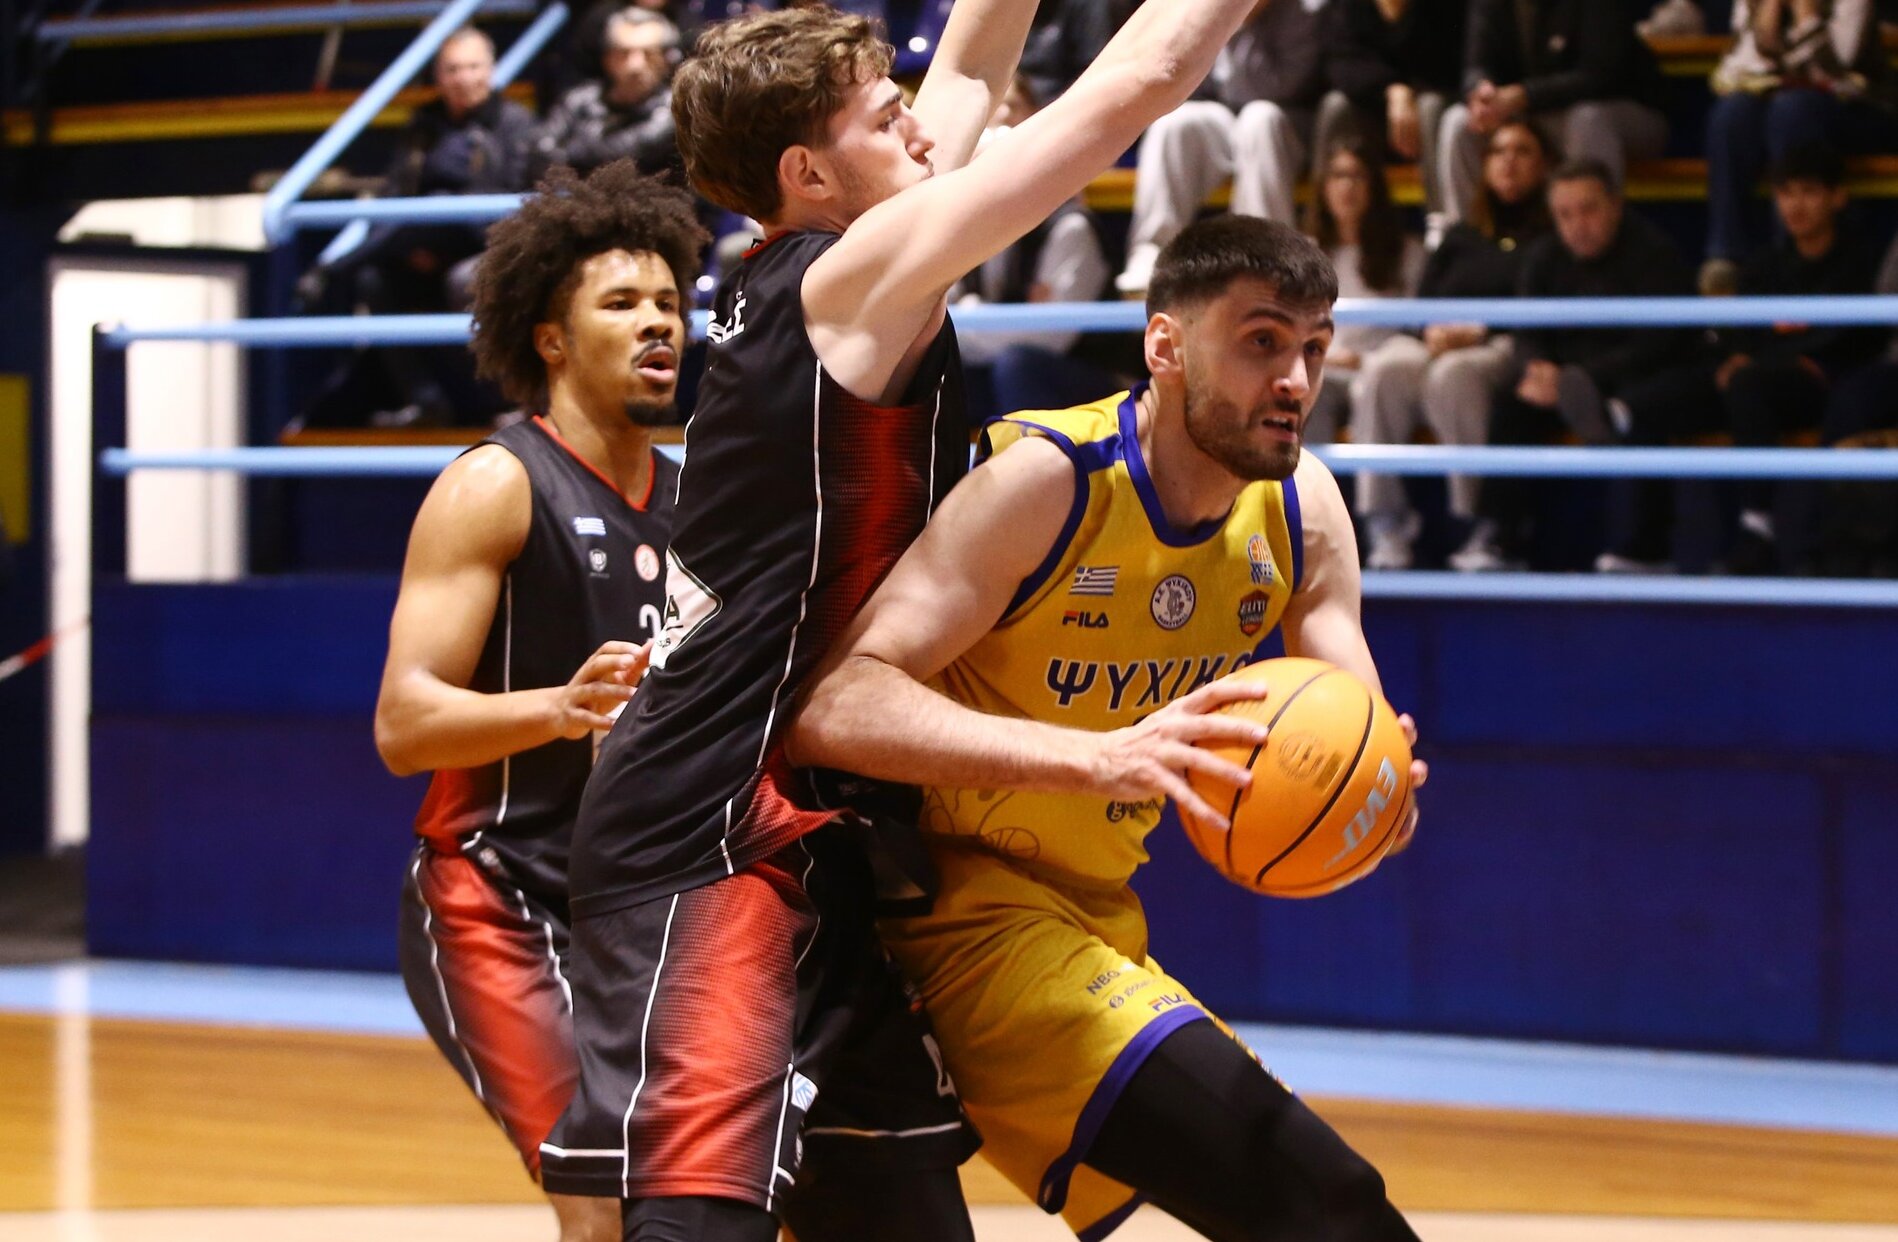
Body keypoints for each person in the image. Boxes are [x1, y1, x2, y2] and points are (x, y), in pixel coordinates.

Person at [538, 1, 1267, 1238]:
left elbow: (972, 63)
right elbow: (1140, 77)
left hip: (817, 828)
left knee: (897, 1212)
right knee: (698, 1222)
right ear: (808, 174)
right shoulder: (847, 279)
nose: (923, 130)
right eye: (888, 119)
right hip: (705, 826)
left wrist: (943, 83)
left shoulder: (832, 267)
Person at [789, 216, 1429, 1242]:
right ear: (1165, 344)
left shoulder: (1300, 508)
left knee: (1309, 1212)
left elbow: (1355, 722)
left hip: (1096, 919)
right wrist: (1097, 757)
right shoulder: (1047, 482)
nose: (1295, 380)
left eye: (1314, 347)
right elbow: (835, 703)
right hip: (958, 914)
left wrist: (1380, 794)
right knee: (1324, 1204)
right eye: (1262, 341)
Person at [373, 162, 707, 1242]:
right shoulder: (496, 483)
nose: (658, 323)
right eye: (623, 303)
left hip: (641, 906)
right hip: (501, 893)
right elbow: (403, 725)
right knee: (599, 1199)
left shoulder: (699, 502)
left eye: (670, 302)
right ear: (552, 340)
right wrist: (559, 708)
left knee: (711, 1193)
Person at [297, 27, 538, 428]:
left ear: (491, 70)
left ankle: (501, 402)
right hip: (423, 243)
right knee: (375, 280)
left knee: (463, 273)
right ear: (439, 76)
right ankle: (426, 402)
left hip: (490, 246)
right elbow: (396, 193)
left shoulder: (517, 123)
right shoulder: (422, 125)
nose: (463, 78)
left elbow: (519, 203)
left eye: (473, 67)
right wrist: (413, 244)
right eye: (453, 69)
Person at [1460, 159, 1694, 571]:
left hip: (1630, 376)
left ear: (1615, 206)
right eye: (1565, 215)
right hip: (1563, 380)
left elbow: (1660, 343)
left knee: (1639, 409)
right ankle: (1501, 537)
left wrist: (1584, 378)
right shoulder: (1544, 255)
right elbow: (1526, 329)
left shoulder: (1655, 253)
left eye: (1588, 210)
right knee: (1512, 402)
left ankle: (1644, 549)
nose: (1577, 225)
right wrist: (1537, 368)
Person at [1349, 119, 1553, 571]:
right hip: (1440, 339)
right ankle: (1386, 524)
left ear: (1543, 166)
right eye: (1498, 152)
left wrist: (1478, 330)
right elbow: (1424, 301)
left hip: (1505, 340)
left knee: (1453, 375)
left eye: (1522, 151)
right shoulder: (1462, 234)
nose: (1509, 162)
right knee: (1384, 368)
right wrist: (1432, 330)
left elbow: (1541, 306)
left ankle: (1483, 523)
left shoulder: (1549, 237)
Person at [1717, 144, 1885, 574]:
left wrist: (1801, 360)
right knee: (1731, 383)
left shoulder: (1863, 262)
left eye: (1808, 191)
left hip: (1841, 382)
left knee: (1755, 383)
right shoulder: (1763, 265)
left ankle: (1793, 534)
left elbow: (1859, 336)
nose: (1795, 205)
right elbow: (1743, 333)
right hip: (1776, 380)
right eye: (1785, 193)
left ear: (1838, 197)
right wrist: (1754, 356)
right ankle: (1756, 527)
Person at [1115, 0, 1343, 295]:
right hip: (1230, 118)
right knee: (1175, 122)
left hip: (1288, 125)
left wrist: (1241, 25)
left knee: (1258, 118)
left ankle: (1262, 255)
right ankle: (1153, 251)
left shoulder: (1306, 11)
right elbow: (1196, 85)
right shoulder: (1210, 7)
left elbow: (1280, 87)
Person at [1702, 0, 1897, 293]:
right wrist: (1768, 22)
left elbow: (1834, 71)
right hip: (1781, 102)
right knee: (1732, 115)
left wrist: (1806, 17)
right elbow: (1738, 68)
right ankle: (1727, 256)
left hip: (1856, 109)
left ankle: (1789, 253)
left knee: (1792, 110)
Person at [1439, 0, 1668, 226]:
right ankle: (1463, 238)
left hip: (1617, 109)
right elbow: (1476, 65)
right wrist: (1482, 92)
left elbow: (1601, 75)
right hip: (1527, 109)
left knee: (1586, 120)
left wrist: (1524, 95)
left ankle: (1595, 238)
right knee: (1459, 122)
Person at [1301, 137, 1425, 443]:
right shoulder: (1303, 254)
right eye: (1338, 176)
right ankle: (1303, 476)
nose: (1347, 186)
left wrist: (1363, 362)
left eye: (1357, 176)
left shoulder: (1407, 253)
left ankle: (1374, 477)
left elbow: (1416, 331)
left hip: (1381, 369)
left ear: (1374, 187)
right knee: (1303, 386)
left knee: (1381, 378)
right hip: (1325, 367)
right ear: (1324, 187)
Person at [1326, 0, 1468, 225]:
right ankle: (1321, 225)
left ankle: (1441, 224)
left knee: (1430, 106)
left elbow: (1451, 68)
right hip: (1374, 113)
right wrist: (1393, 90)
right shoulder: (1347, 6)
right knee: (1335, 106)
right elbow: (1341, 66)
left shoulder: (1444, 7)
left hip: (1427, 110)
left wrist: (1411, 92)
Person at [531, 8, 683, 180]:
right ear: (607, 58)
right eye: (624, 53)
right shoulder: (577, 101)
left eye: (649, 53)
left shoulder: (676, 108)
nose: (635, 65)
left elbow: (629, 154)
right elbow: (539, 153)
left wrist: (569, 154)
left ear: (668, 59)